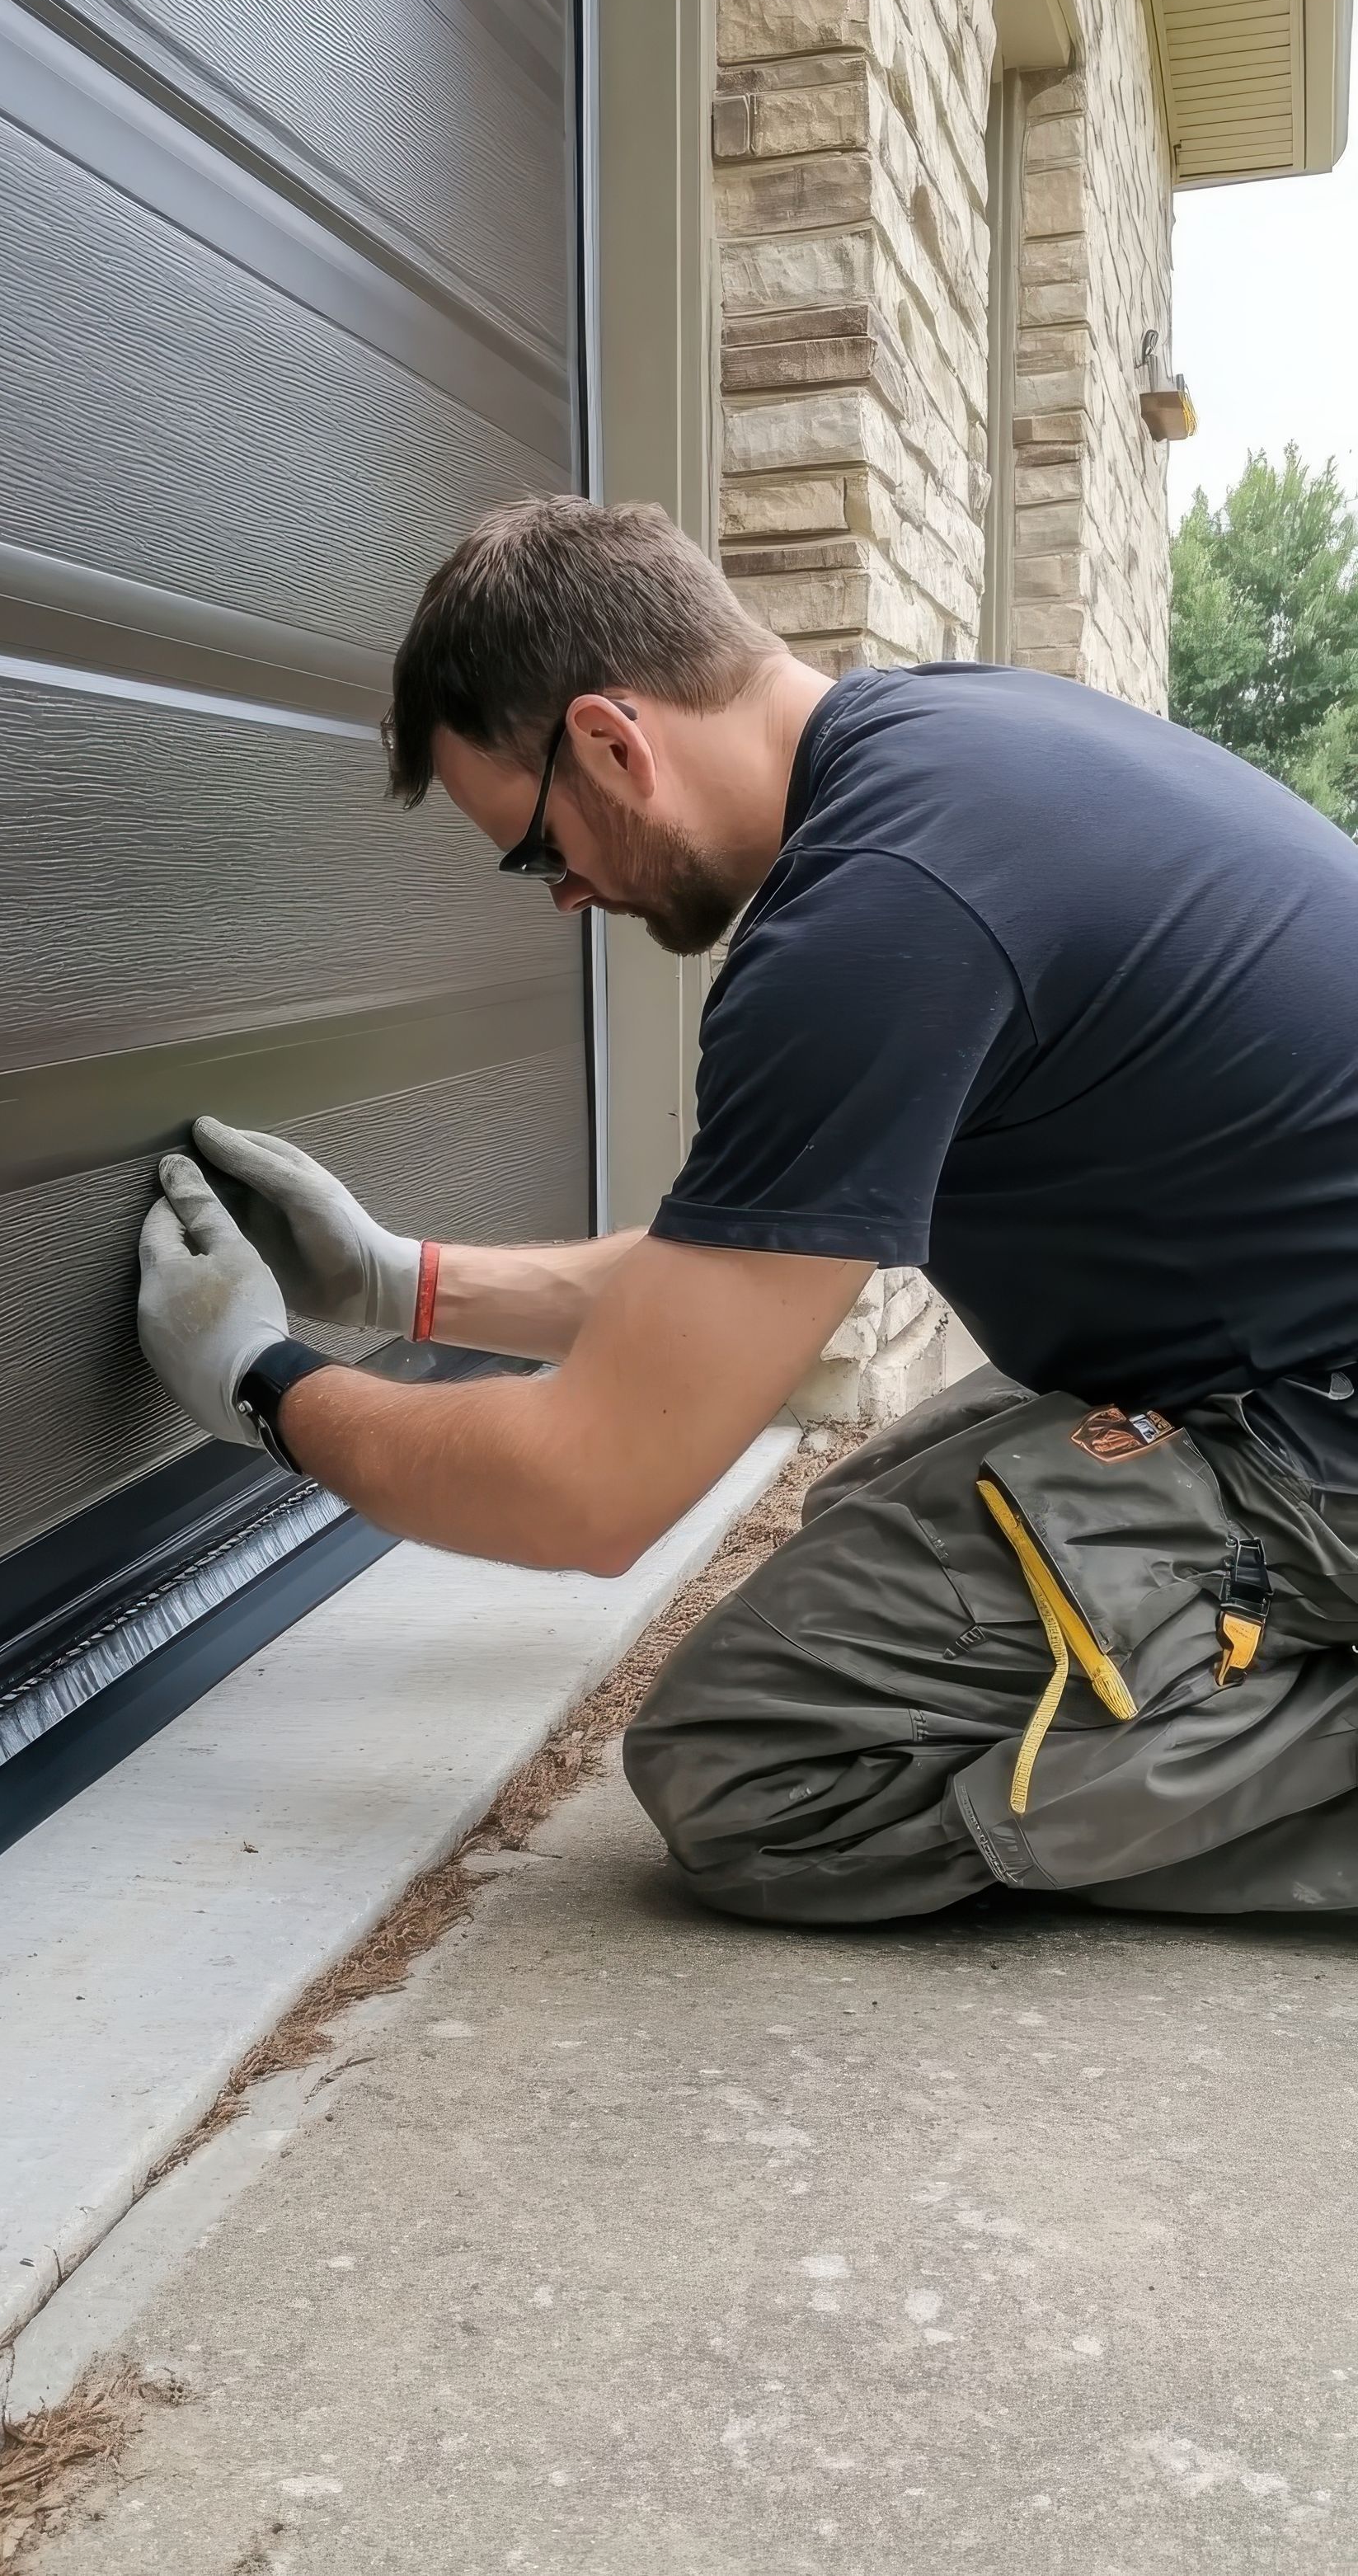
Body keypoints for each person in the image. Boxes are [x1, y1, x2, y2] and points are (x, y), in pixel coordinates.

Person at [137, 496, 1358, 1925]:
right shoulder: (934, 752)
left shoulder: (873, 919)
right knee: (862, 1519)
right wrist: (401, 1281)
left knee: (753, 1765)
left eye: (536, 850)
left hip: (1318, 1432)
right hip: (1282, 1365)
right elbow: (715, 1285)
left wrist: (268, 1388)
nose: (561, 897)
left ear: (610, 740)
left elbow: (592, 1488)